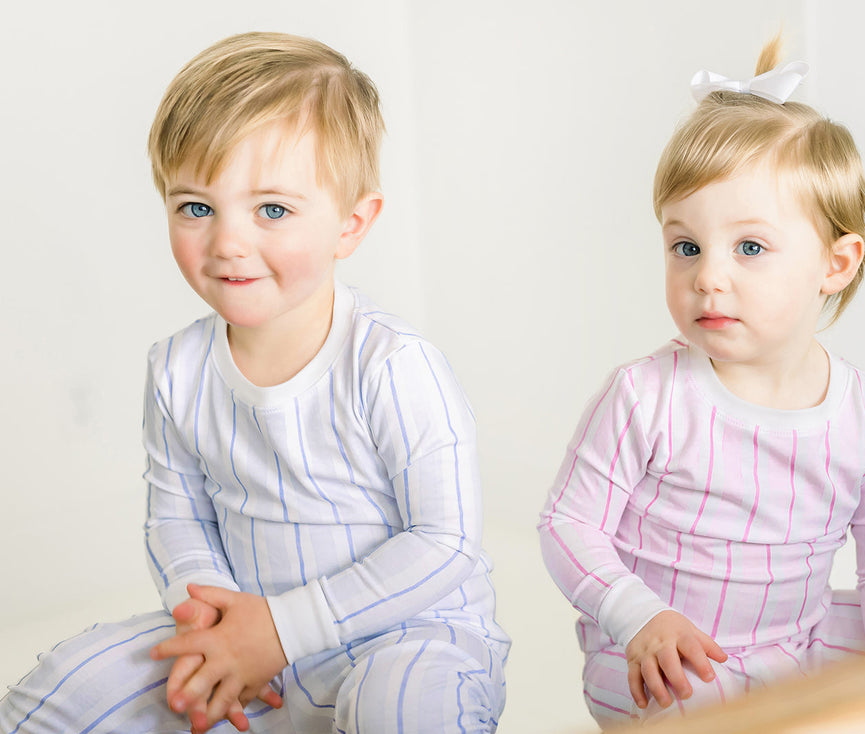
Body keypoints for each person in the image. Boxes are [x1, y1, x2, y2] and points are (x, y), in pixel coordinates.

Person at [0, 31, 509, 734]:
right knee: (67, 690)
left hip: (403, 633)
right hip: (246, 633)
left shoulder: (390, 365)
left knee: (401, 709)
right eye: (196, 208)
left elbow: (445, 544)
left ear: (351, 224)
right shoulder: (176, 370)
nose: (227, 242)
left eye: (271, 209)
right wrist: (209, 627)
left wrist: (283, 628)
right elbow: (177, 517)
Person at [537, 36, 865, 729]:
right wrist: (639, 618)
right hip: (667, 654)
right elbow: (568, 525)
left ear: (834, 265)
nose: (708, 275)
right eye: (685, 246)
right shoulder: (647, 396)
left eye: (749, 248)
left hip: (798, 638)